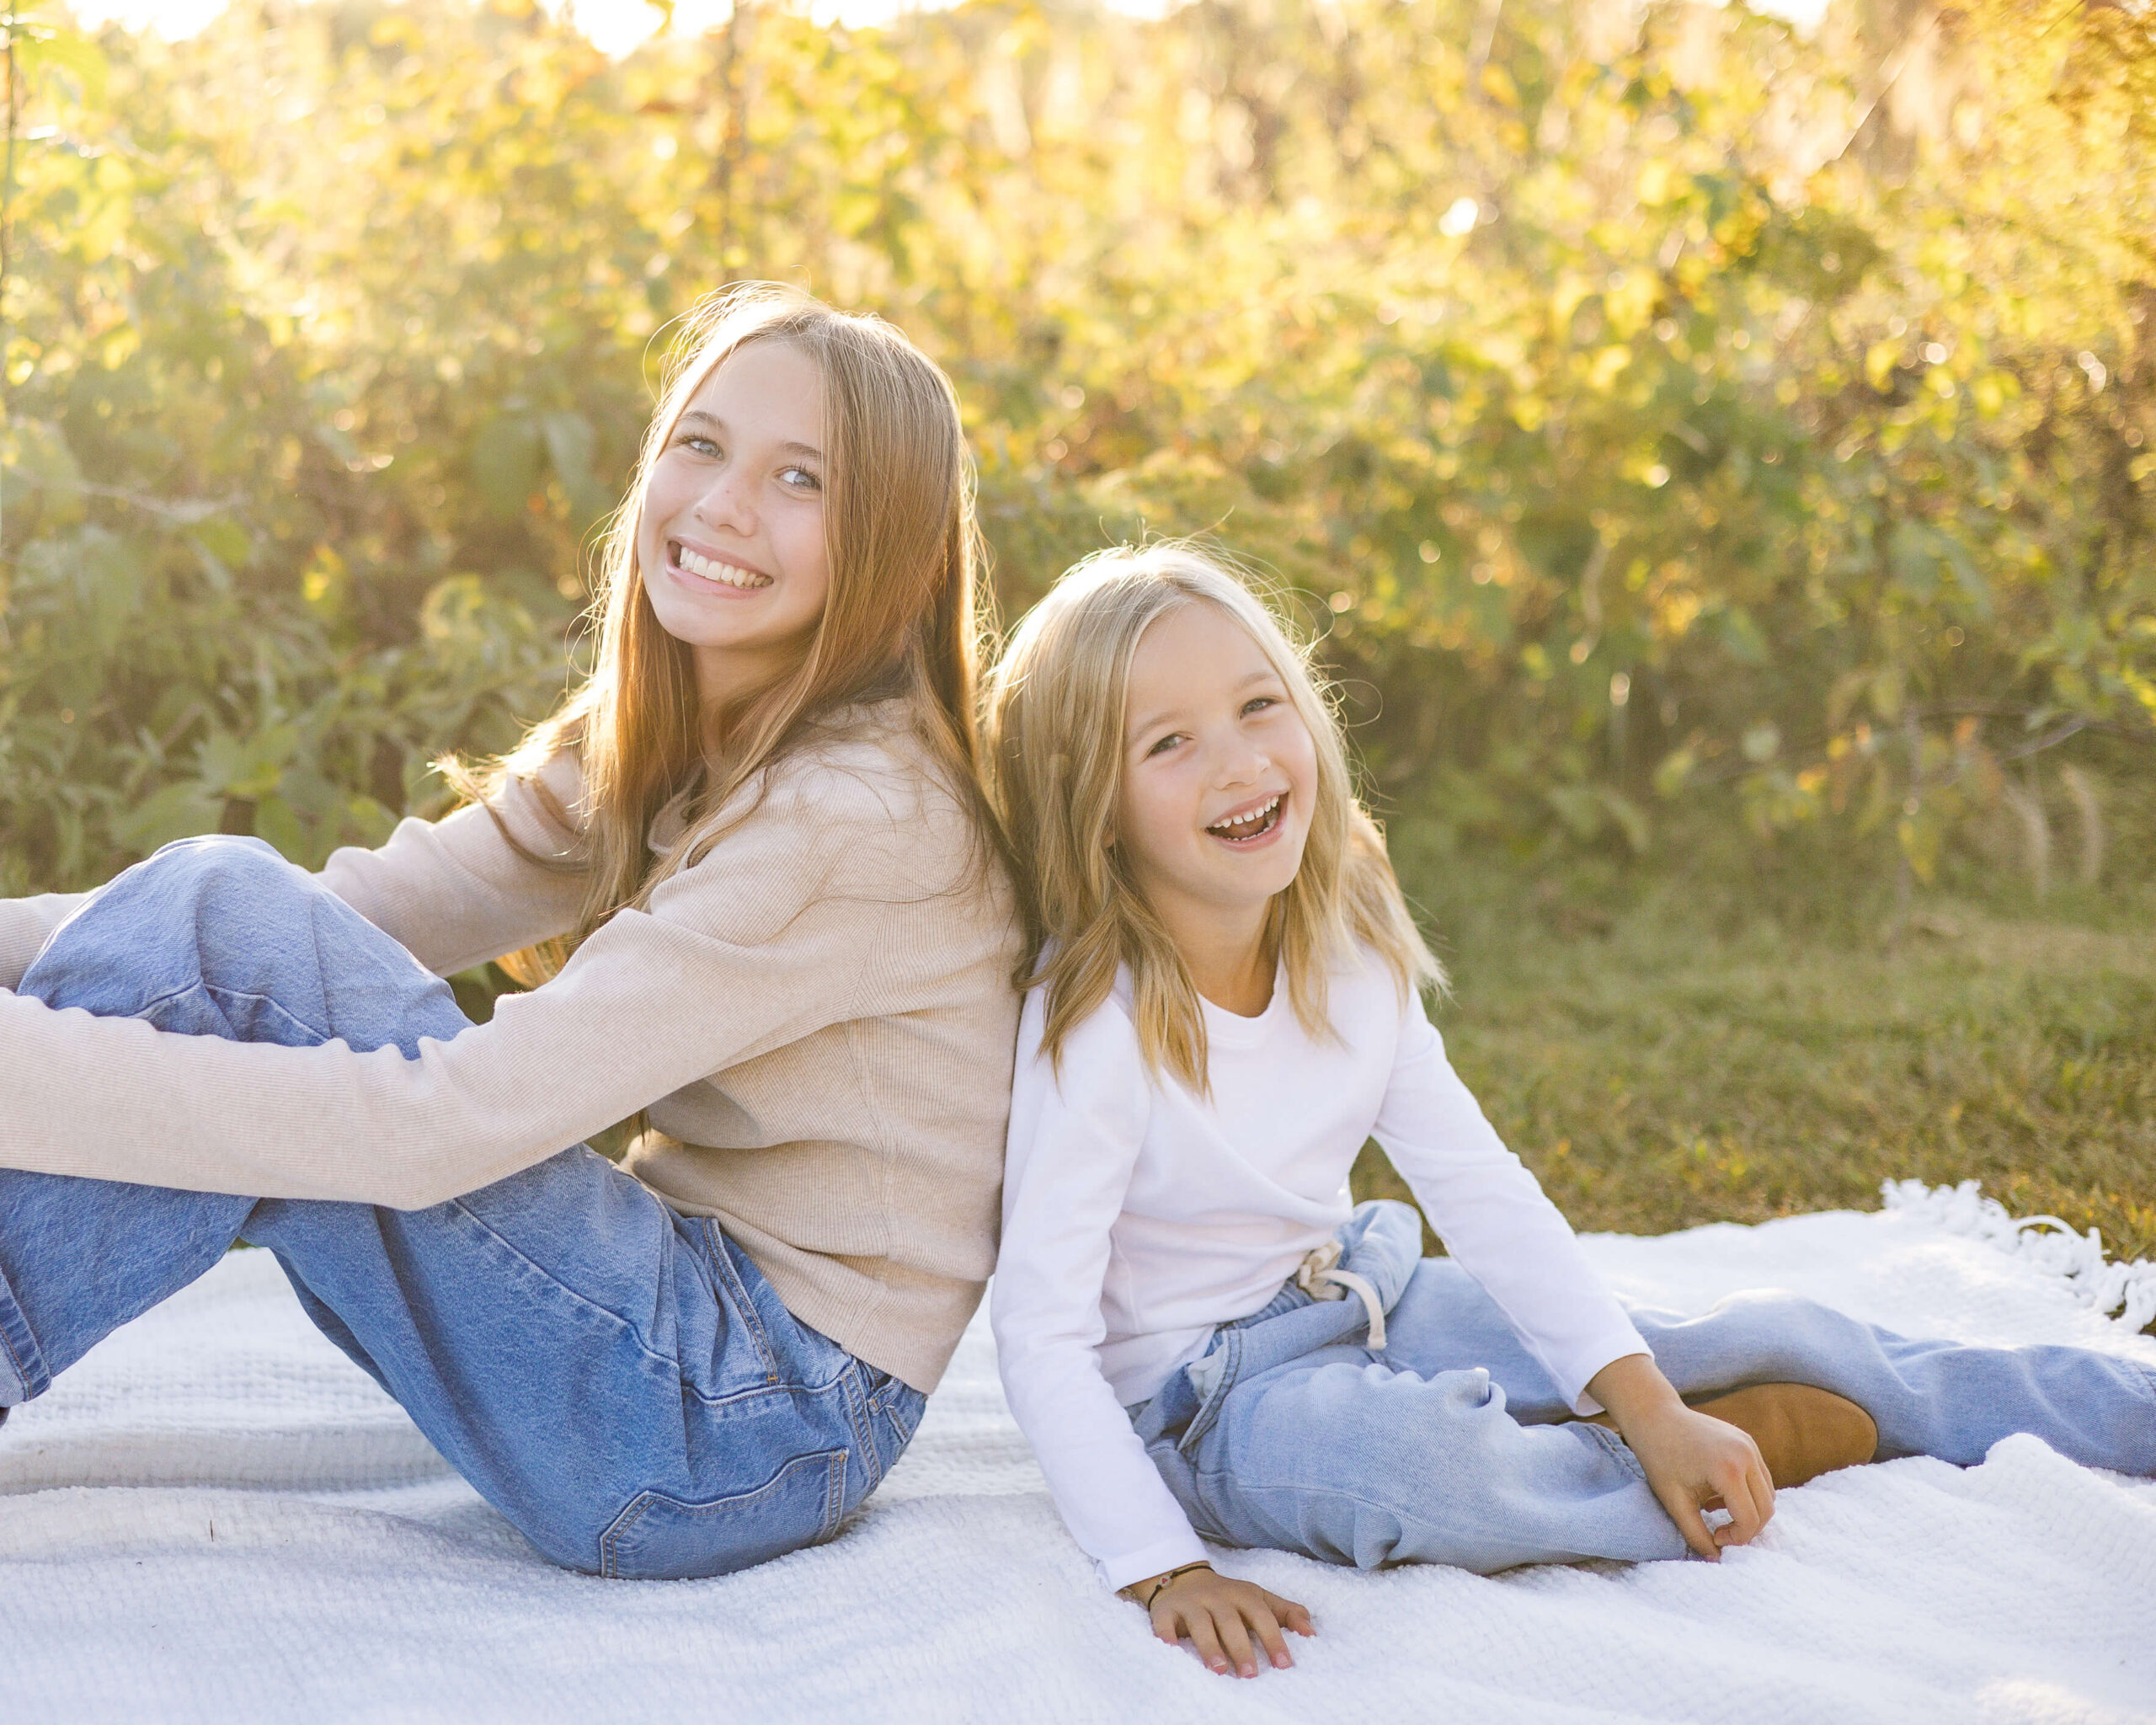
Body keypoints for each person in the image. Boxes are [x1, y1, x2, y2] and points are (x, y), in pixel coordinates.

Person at [980, 540, 2156, 1678]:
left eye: (1257, 706)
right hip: (1203, 1414)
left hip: (1355, 1296)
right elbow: (1040, 1333)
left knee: (1737, 1335)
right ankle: (1734, 1457)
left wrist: (1644, 1395)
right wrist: (1162, 1568)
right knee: (1424, 1473)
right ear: (1096, 808)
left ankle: (2113, 1411)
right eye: (1170, 744)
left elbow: (1478, 1189)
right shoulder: (1098, 1027)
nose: (1239, 763)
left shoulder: (1342, 945)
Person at [0, 283, 1020, 1580]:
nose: (720, 504)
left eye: (801, 479)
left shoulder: (853, 818)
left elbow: (450, 1125)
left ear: (891, 544)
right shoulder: (688, 731)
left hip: (750, 1427)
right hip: (688, 1359)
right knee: (232, 907)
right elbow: (344, 917)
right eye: (700, 444)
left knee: (240, 931)